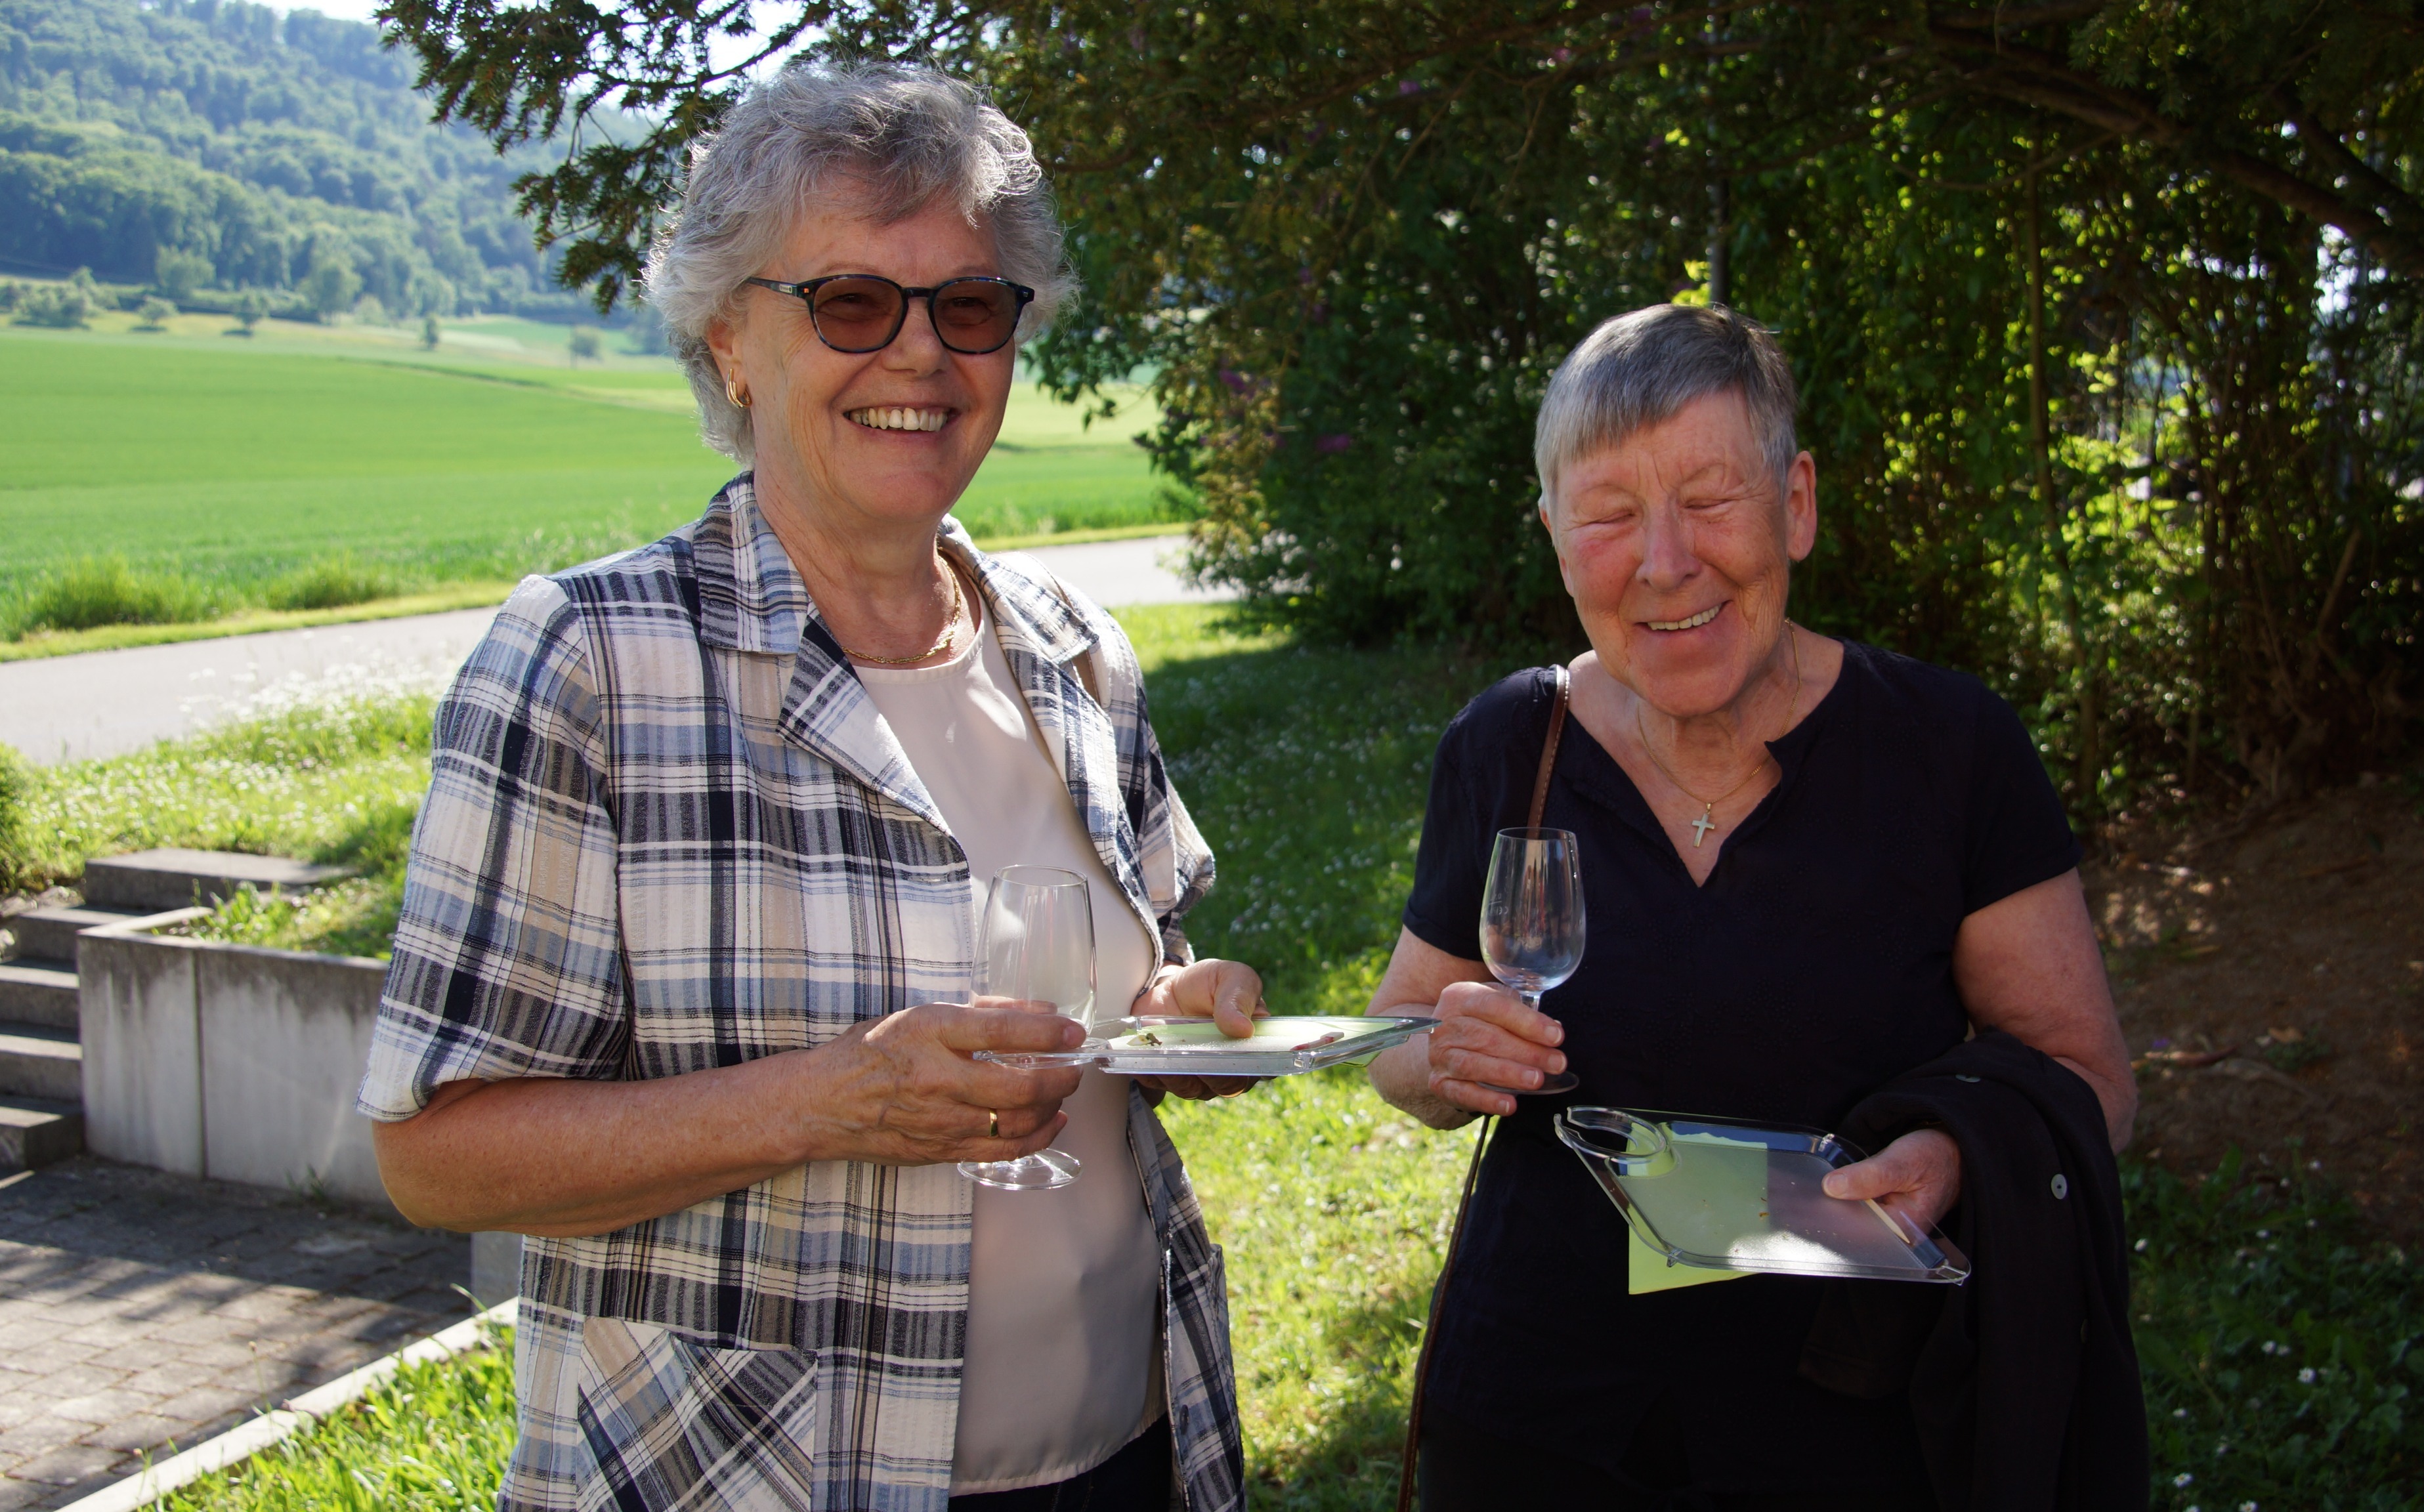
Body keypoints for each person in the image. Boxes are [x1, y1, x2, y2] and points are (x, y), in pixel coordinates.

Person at [360, 62, 1254, 1512]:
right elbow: (436, 1157)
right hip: (759, 1477)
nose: (921, 355)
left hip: (1129, 1449)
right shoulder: (591, 660)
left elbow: (1117, 994)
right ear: (730, 339)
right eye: (851, 302)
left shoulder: (1075, 649)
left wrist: (1173, 1016)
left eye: (968, 307)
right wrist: (828, 1102)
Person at [1364, 304, 2144, 1509]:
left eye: (1710, 498)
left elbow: (2088, 1076)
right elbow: (1398, 1037)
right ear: (1555, 536)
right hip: (1537, 1410)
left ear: (1798, 503)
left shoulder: (1951, 751)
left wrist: (1955, 1158)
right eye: (1610, 513)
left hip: (1850, 1422)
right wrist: (1441, 1054)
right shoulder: (1511, 742)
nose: (1665, 561)